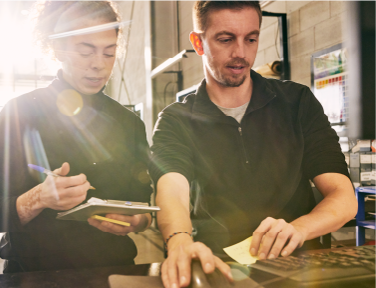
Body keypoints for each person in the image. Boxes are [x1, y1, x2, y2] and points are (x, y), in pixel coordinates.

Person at [150, 0, 358, 287]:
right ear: (198, 43)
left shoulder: (297, 103)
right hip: (217, 269)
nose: (240, 53)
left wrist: (298, 229)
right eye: (226, 39)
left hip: (300, 269)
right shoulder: (176, 119)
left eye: (251, 39)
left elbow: (343, 196)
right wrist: (179, 241)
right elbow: (172, 190)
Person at [0, 0, 153, 273]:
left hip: (113, 271)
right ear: (56, 49)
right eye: (85, 52)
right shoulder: (18, 114)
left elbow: (142, 205)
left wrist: (137, 221)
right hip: (34, 275)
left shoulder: (129, 124)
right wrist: (39, 198)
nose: (98, 65)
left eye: (109, 53)